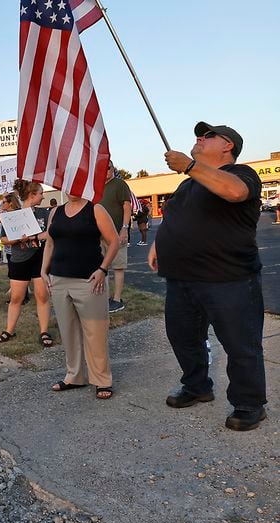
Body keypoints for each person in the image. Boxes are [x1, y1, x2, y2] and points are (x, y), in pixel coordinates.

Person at [151, 121, 267, 431]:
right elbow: (175, 215)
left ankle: (249, 403)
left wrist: (189, 165)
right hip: (182, 279)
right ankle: (197, 386)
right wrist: (158, 244)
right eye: (197, 136)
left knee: (241, 344)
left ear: (228, 145)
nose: (199, 140)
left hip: (229, 280)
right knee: (184, 338)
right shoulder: (188, 184)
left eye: (208, 136)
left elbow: (234, 193)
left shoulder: (242, 174)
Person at [41, 193, 119, 399]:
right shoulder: (55, 212)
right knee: (68, 331)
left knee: (95, 332)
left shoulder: (96, 210)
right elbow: (50, 243)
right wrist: (43, 270)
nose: (71, 188)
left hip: (89, 281)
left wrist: (103, 269)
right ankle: (74, 376)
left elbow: (114, 242)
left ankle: (102, 380)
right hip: (58, 280)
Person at [0, 181, 53, 347]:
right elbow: (3, 238)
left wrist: (34, 238)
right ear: (32, 195)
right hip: (19, 260)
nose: (43, 196)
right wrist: (16, 240)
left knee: (42, 296)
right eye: (41, 193)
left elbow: (51, 233)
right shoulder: (13, 215)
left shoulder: (44, 213)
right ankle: (9, 330)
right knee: (16, 298)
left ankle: (44, 331)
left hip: (39, 258)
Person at [99, 162, 133, 313]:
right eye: (102, 167)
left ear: (113, 169)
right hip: (99, 235)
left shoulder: (120, 184)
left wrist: (124, 229)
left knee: (118, 267)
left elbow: (127, 207)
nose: (105, 170)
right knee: (102, 267)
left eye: (108, 167)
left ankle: (117, 299)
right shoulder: (96, 186)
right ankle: (104, 298)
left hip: (117, 234)